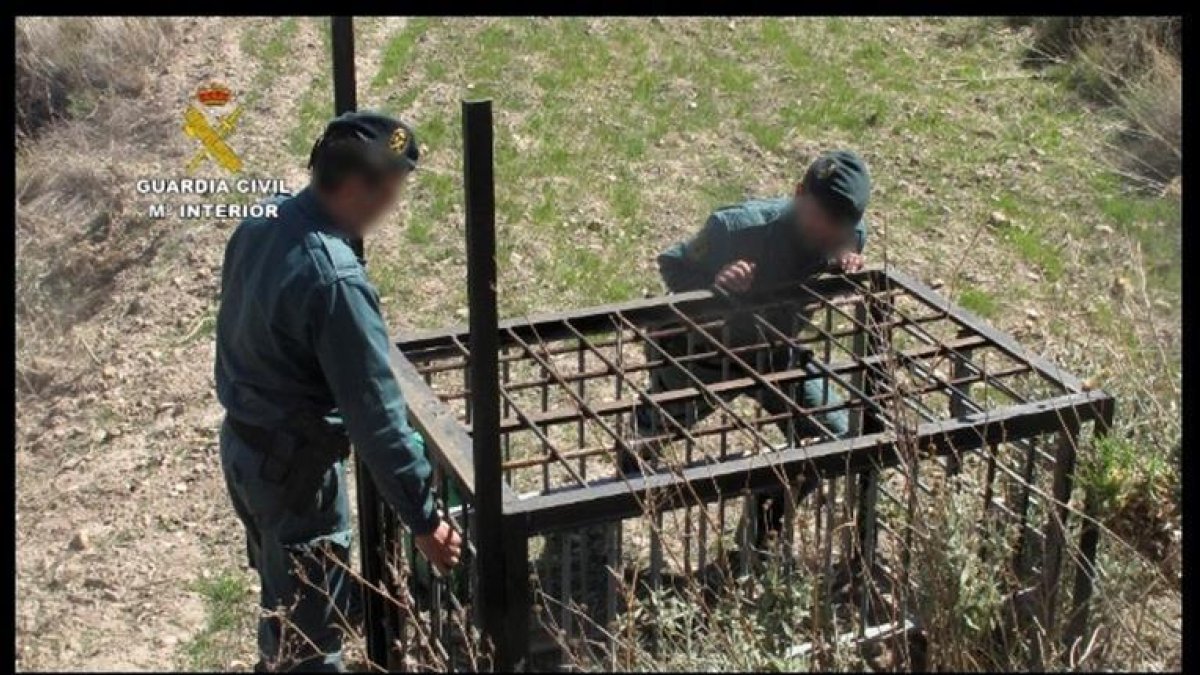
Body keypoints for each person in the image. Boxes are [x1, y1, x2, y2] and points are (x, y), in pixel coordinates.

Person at [214, 111, 462, 672]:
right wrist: (424, 521)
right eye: (391, 192)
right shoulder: (336, 280)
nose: (391, 209)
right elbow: (376, 420)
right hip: (298, 475)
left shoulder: (262, 222)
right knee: (311, 642)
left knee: (286, 605)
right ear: (357, 186)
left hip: (246, 453)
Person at [627, 149, 872, 547]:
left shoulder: (849, 239)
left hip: (777, 355)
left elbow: (842, 262)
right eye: (818, 216)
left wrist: (848, 271)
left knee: (835, 438)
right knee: (647, 438)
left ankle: (760, 530)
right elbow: (673, 266)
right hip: (703, 354)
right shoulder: (735, 228)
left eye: (839, 225)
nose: (826, 231)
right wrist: (715, 288)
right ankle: (626, 471)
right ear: (797, 193)